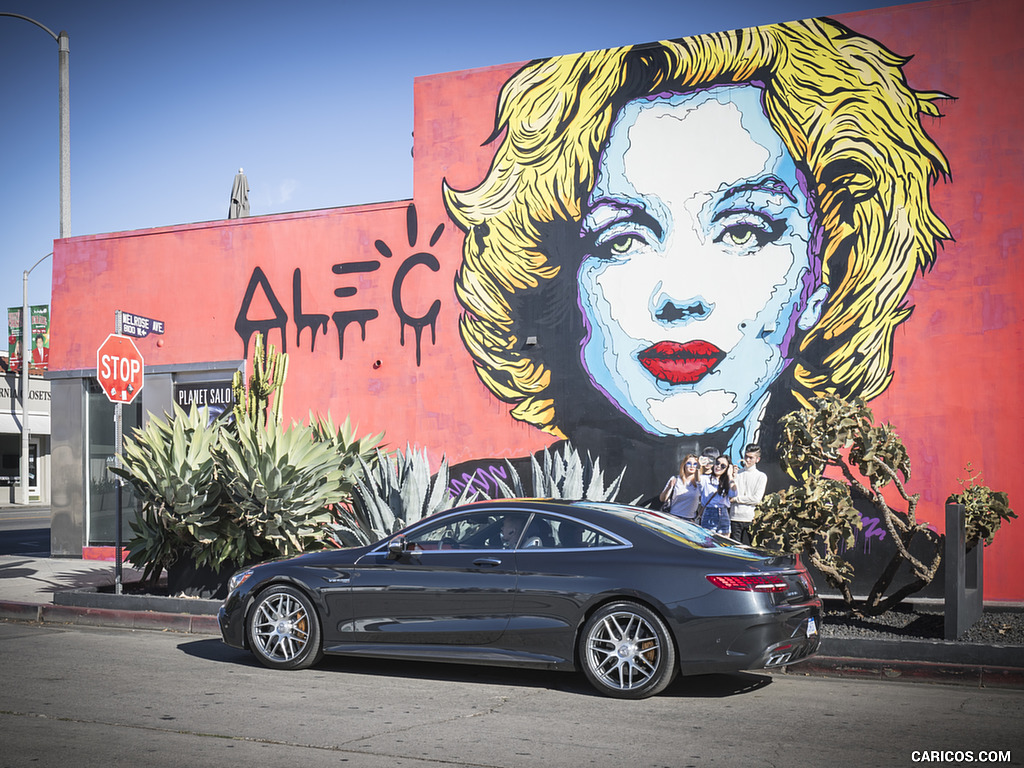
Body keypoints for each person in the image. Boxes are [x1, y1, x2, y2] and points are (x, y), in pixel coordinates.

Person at [443, 18, 950, 501]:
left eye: (744, 230)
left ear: (826, 272)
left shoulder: (867, 547)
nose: (679, 298)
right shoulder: (479, 513)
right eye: (622, 240)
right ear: (561, 283)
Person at [731, 444, 767, 544]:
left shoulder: (761, 476)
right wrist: (732, 477)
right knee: (735, 550)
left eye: (751, 458)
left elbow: (756, 499)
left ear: (757, 459)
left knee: (752, 549)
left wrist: (736, 499)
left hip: (751, 518)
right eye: (746, 456)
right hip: (734, 517)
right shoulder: (737, 473)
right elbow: (730, 493)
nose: (747, 460)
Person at [700, 456, 736, 536]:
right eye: (717, 463)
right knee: (708, 540)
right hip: (709, 511)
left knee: (725, 542)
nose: (719, 466)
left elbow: (734, 493)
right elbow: (696, 482)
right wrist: (700, 467)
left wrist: (730, 475)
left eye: (723, 466)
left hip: (723, 512)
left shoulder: (728, 482)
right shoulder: (705, 479)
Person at [659, 454, 702, 520]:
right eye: (689, 463)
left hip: (690, 519)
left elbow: (704, 501)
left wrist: (697, 517)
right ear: (684, 465)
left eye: (695, 464)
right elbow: (662, 499)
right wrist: (668, 487)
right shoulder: (675, 479)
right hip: (674, 517)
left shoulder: (700, 482)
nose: (692, 466)